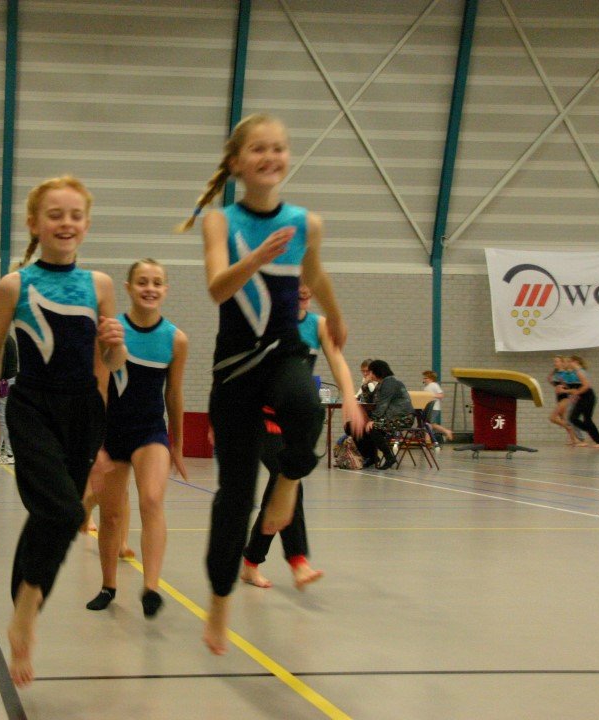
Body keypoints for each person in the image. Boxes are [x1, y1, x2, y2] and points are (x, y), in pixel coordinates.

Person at [178, 113, 351, 655]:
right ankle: (220, 600)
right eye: (258, 149)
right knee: (234, 496)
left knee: (305, 408)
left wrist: (334, 313)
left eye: (279, 148)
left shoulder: (305, 222)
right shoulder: (219, 221)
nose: (270, 157)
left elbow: (314, 273)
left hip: (283, 351)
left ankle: (289, 482)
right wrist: (256, 256)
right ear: (236, 163)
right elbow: (217, 288)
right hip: (235, 368)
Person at [0, 176, 125, 687]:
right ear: (34, 224)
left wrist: (116, 342)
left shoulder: (100, 285)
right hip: (33, 407)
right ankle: (26, 611)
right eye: (55, 214)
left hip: (83, 412)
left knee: (50, 516)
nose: (66, 223)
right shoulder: (14, 285)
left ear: (87, 224)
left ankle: (25, 602)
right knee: (64, 512)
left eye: (75, 215)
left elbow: (111, 363)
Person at [239, 285, 364, 591]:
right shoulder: (266, 321)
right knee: (287, 476)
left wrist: (350, 397)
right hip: (262, 415)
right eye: (296, 281)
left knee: (281, 485)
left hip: (295, 417)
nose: (304, 288)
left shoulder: (318, 325)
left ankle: (251, 562)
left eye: (309, 282)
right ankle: (297, 560)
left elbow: (337, 361)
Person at [85, 258, 187, 618]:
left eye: (157, 282)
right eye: (142, 281)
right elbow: (99, 387)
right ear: (128, 288)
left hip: (150, 432)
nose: (150, 288)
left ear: (166, 289)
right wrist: (96, 442)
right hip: (112, 432)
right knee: (112, 515)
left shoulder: (175, 339)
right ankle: (108, 586)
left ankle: (151, 588)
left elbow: (174, 394)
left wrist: (177, 445)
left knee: (152, 500)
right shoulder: (112, 331)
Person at [352, 360, 414, 469]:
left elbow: (381, 406)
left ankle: (389, 457)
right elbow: (369, 399)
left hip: (403, 418)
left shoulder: (390, 383)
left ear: (377, 372)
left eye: (370, 372)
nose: (368, 374)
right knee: (355, 427)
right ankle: (371, 457)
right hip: (390, 417)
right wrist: (365, 385)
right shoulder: (382, 383)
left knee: (373, 427)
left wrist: (373, 420)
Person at [0, 320, 19, 465]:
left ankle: (9, 453)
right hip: (9, 380)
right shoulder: (9, 339)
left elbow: (1, 364)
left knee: (3, 419)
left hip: (6, 382)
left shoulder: (4, 340)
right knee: (2, 418)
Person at [565, 355, 599, 448]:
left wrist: (576, 393)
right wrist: (574, 394)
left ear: (576, 362)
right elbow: (578, 386)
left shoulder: (580, 372)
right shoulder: (577, 372)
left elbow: (586, 386)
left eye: (570, 361)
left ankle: (598, 440)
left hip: (588, 397)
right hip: (583, 397)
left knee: (581, 419)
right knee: (578, 419)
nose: (569, 363)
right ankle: (595, 436)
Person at [548, 355, 582, 445]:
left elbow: (568, 386)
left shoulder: (565, 373)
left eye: (557, 361)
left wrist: (562, 383)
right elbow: (554, 384)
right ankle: (574, 440)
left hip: (565, 398)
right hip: (559, 398)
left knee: (552, 418)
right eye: (554, 361)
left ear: (562, 363)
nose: (555, 363)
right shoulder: (557, 373)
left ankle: (570, 428)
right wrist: (552, 378)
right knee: (563, 419)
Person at [421, 370, 453, 442]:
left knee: (428, 424)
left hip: (434, 408)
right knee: (431, 424)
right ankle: (446, 431)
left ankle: (428, 440)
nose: (424, 380)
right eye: (424, 378)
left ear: (431, 379)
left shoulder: (434, 385)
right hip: (429, 408)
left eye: (426, 378)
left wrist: (431, 395)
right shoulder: (426, 387)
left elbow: (441, 395)